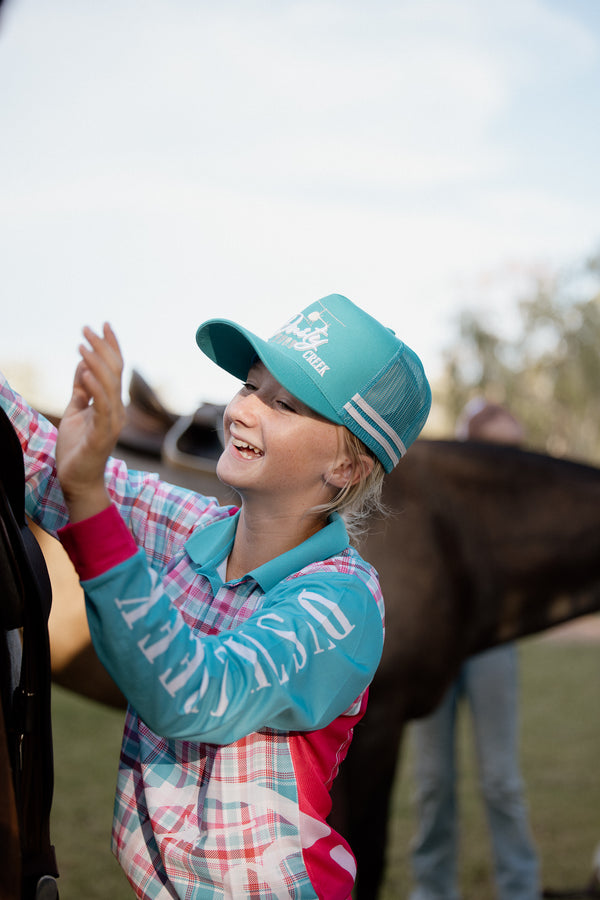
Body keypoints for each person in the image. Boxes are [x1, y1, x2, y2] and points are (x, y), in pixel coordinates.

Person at [0, 293, 431, 899]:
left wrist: (90, 501)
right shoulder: (194, 529)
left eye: (283, 404)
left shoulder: (343, 604)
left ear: (346, 467)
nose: (245, 411)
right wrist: (79, 479)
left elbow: (195, 694)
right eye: (251, 386)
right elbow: (47, 463)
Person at [408, 398, 540, 900]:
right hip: (435, 653)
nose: (511, 462)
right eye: (497, 450)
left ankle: (521, 888)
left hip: (492, 652)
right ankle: (432, 890)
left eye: (517, 450)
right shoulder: (442, 502)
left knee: (502, 779)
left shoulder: (525, 512)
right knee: (432, 783)